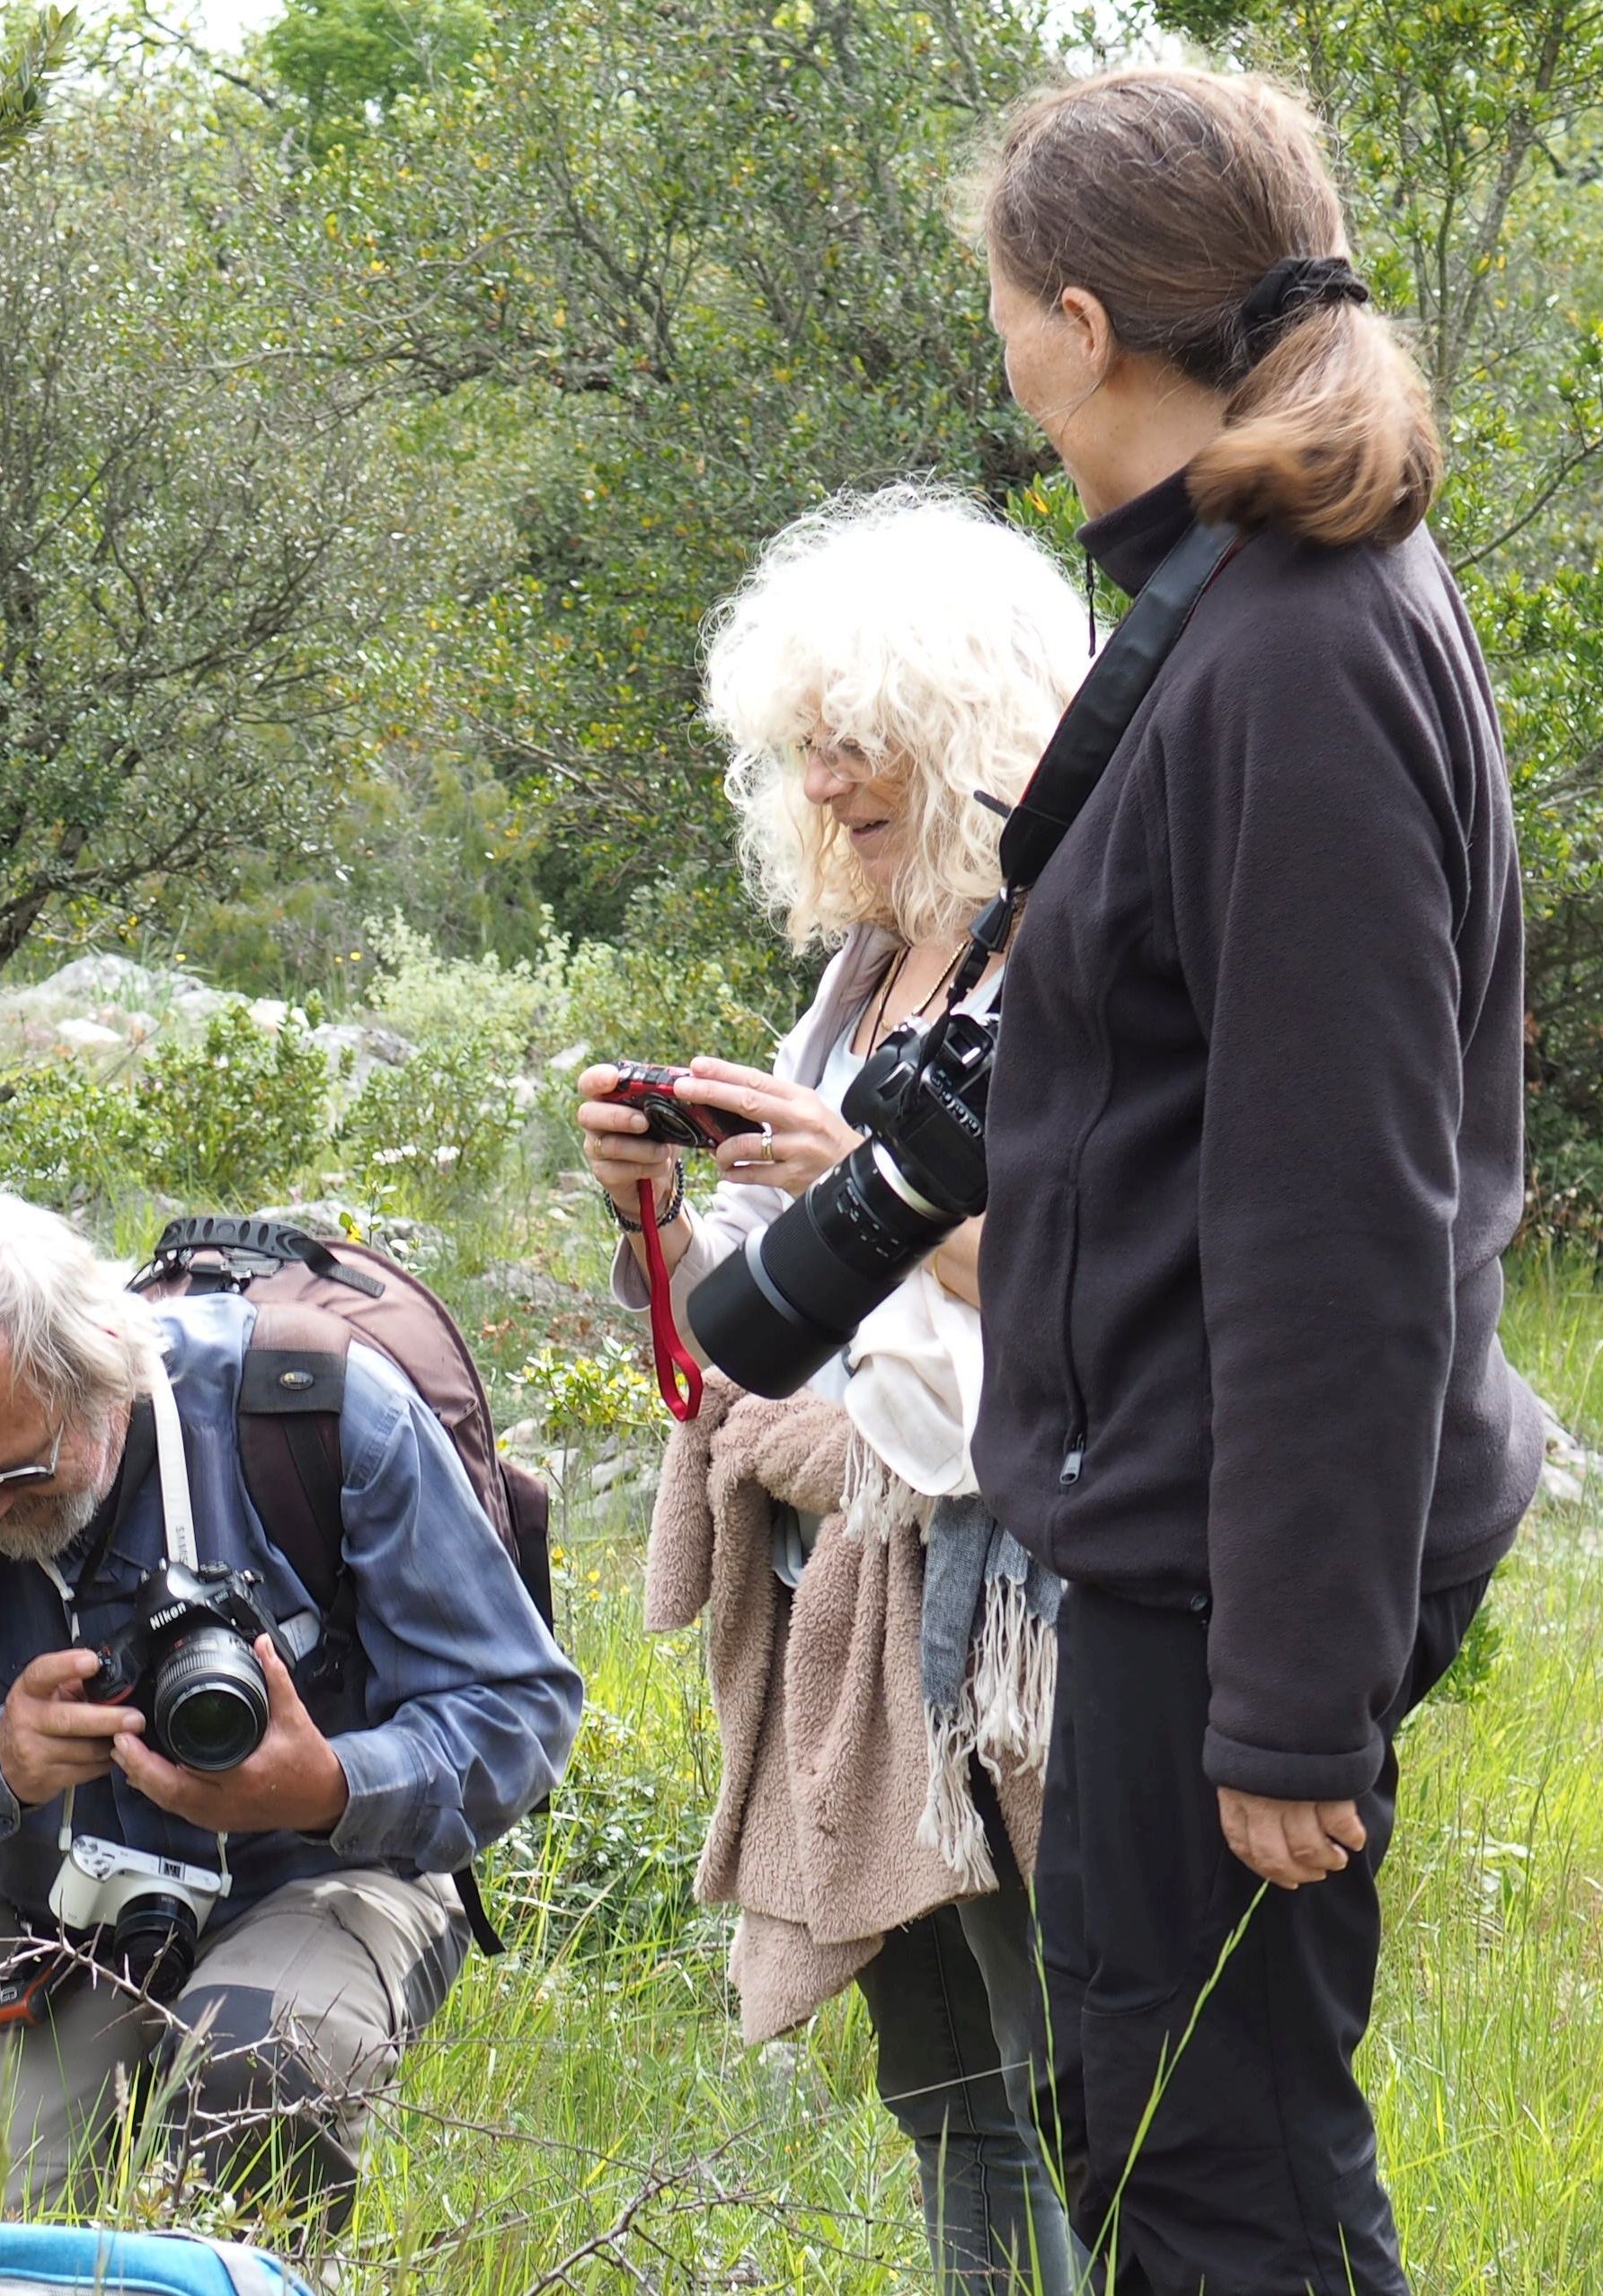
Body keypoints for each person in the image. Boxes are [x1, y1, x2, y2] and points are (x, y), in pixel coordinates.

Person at [970, 66, 1542, 2294]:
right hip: (1194, 1537)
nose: (997, 344)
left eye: (1000, 304)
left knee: (1224, 2179)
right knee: (1151, 2132)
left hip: (1236, 1571)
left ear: (1080, 323)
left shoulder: (1293, 650)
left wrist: (1288, 1695)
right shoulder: (1247, 603)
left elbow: (1340, 1224)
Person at [577, 490, 1089, 2294]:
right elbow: (775, 1313)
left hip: (1026, 1600)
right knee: (945, 2082)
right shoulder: (869, 965)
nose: (828, 785)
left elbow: (1107, 1289)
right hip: (853, 1590)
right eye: (803, 748)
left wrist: (852, 1184)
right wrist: (667, 1195)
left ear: (978, 725)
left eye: (861, 738)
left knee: (1076, 2077)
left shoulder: (1081, 965)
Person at [0, 1190, 580, 2227]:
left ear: (106, 1371)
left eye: (17, 1470)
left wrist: (325, 1787)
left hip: (328, 1875)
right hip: (60, 1911)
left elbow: (519, 1709)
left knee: (256, 2074)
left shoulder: (315, 1411)